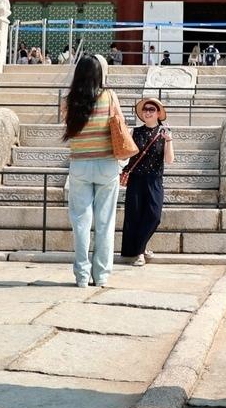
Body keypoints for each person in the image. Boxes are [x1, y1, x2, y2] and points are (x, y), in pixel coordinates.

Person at [62, 54, 123, 288]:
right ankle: (102, 275)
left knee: (81, 222)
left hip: (80, 164)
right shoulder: (109, 96)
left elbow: (68, 127)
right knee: (105, 222)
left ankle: (81, 276)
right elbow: (119, 125)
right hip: (106, 163)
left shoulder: (69, 100)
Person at [121, 96, 175, 267]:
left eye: (151, 109)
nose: (147, 112)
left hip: (154, 179)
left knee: (154, 215)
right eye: (145, 109)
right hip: (136, 178)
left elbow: (169, 160)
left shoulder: (164, 132)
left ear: (158, 113)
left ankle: (140, 248)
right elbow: (125, 154)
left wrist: (169, 140)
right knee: (135, 216)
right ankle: (139, 252)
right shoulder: (134, 132)